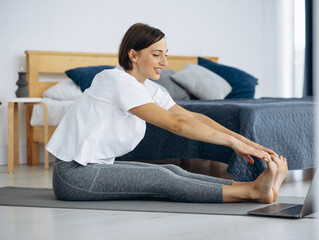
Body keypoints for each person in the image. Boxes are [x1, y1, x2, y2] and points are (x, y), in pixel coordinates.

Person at [47, 23, 288, 203]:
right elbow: (177, 124)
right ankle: (252, 192)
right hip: (73, 176)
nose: (164, 62)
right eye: (156, 54)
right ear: (133, 55)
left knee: (171, 171)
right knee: (159, 177)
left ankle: (252, 186)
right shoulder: (115, 80)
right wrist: (233, 142)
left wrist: (246, 142)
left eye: (165, 54)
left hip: (95, 168)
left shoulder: (149, 88)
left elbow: (193, 117)